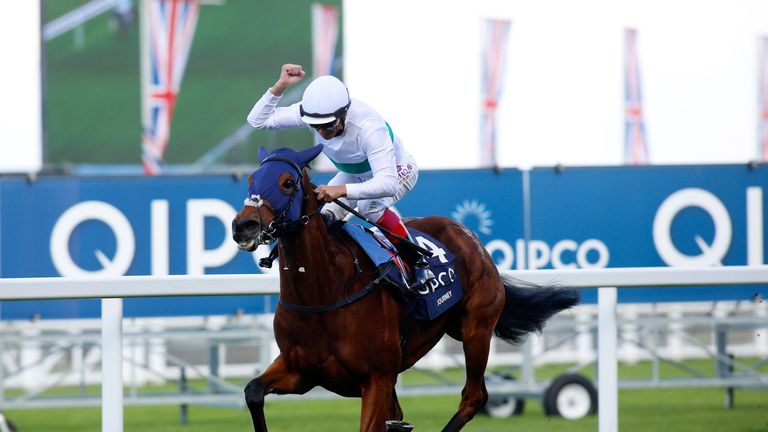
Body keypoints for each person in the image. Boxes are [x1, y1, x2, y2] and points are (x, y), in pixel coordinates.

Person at [246, 63, 433, 289]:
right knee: (321, 217)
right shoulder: (312, 112)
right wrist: (279, 86)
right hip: (353, 173)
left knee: (369, 207)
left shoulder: (369, 127)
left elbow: (388, 183)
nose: (323, 132)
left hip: (397, 169)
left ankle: (418, 260)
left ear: (344, 113)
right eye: (316, 127)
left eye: (328, 126)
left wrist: (340, 190)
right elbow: (257, 120)